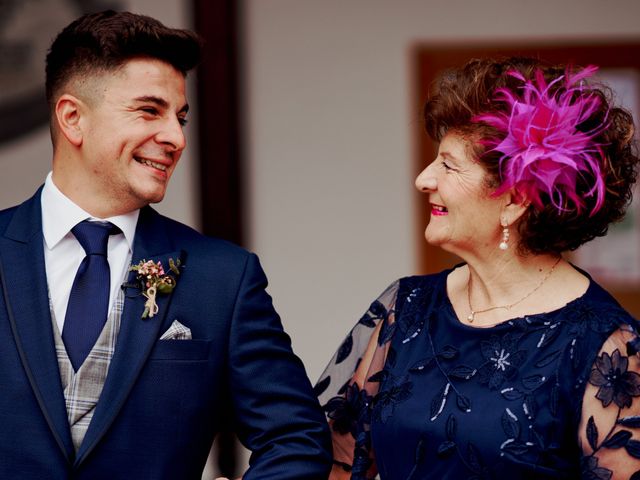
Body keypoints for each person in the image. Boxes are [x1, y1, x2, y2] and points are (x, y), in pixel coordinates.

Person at [0, 10, 331, 479]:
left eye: (180, 118)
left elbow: (296, 438)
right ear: (73, 118)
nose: (175, 137)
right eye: (149, 110)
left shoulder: (223, 278)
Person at [316, 57, 640, 479]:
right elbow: (338, 465)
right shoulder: (409, 307)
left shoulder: (605, 345)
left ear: (515, 200)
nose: (423, 179)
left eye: (449, 165)